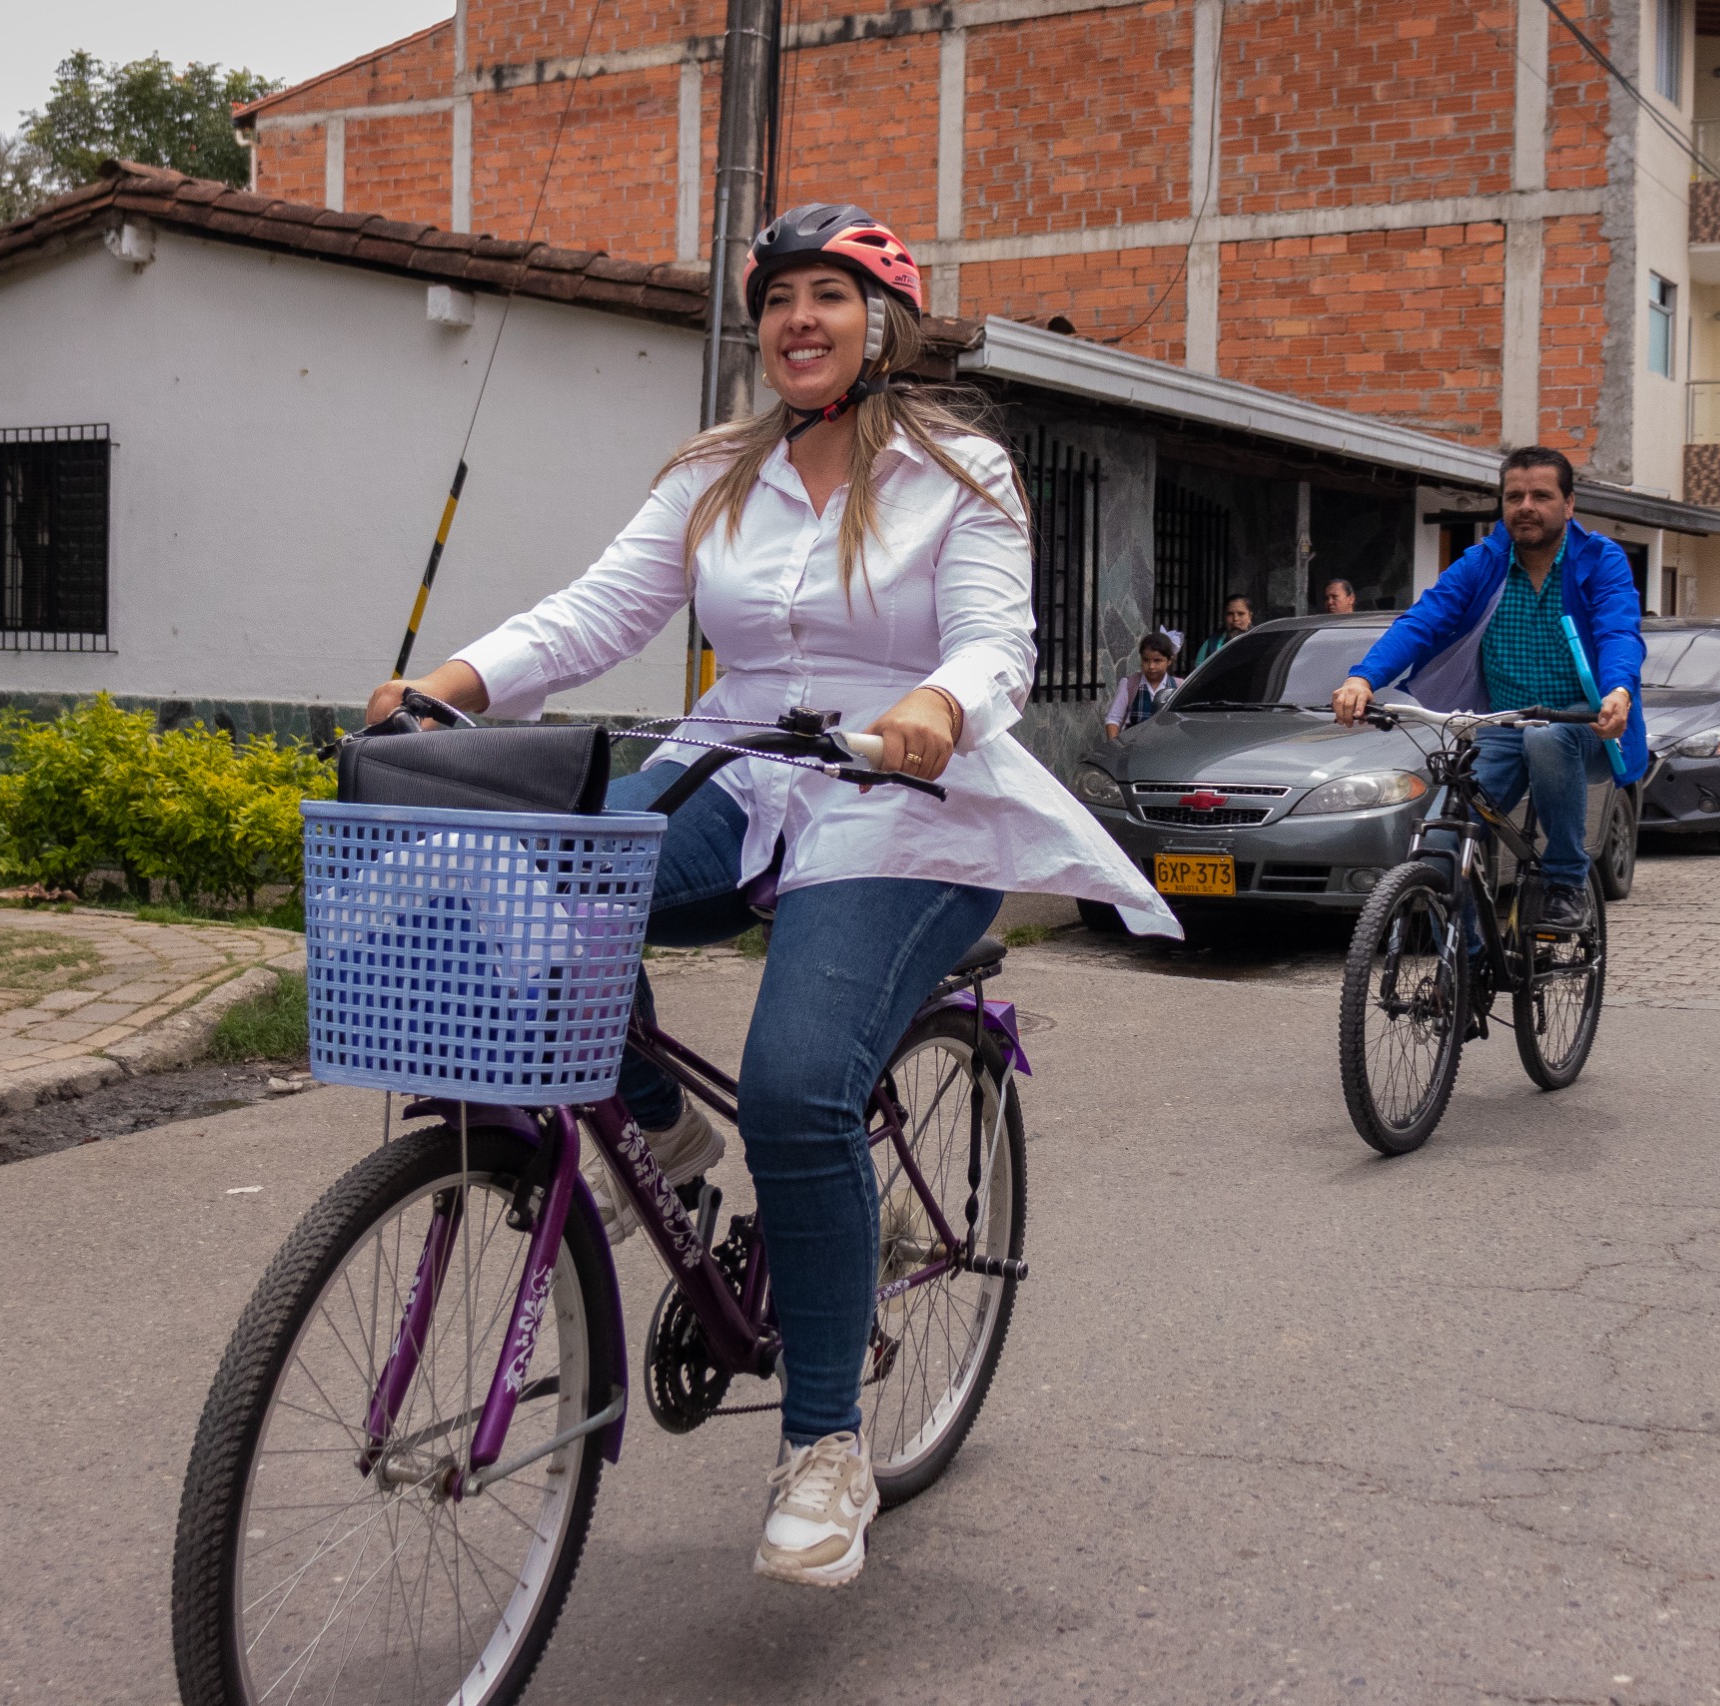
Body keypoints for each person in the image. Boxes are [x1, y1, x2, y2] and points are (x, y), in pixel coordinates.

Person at [367, 201, 1174, 1589]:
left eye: (832, 295)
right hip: (740, 765)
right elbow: (596, 610)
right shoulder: (714, 473)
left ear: (885, 325)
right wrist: (454, 682)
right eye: (781, 297)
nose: (801, 319)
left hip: (907, 796)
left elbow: (996, 642)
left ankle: (823, 1445)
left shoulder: (958, 468)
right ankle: (665, 1136)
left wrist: (935, 701)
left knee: (800, 1085)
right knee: (532, 876)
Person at [1331, 446, 1644, 932]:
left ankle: (1564, 882)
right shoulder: (1483, 562)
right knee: (1439, 842)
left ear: (1569, 504)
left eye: (1541, 495)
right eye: (1514, 495)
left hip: (1586, 723)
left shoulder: (1600, 560)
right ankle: (1466, 967)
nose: (1526, 506)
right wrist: (1363, 677)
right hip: (1505, 725)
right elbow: (1423, 621)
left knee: (1547, 738)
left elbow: (1618, 631)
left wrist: (1619, 691)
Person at [1104, 632, 1181, 739]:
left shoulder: (1179, 686)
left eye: (1157, 661)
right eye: (1146, 660)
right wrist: (1117, 749)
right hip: (1133, 749)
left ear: (1169, 661)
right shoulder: (1129, 684)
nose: (1151, 666)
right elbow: (1113, 719)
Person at [1188, 592, 1255, 670]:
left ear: (1250, 617)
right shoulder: (1210, 645)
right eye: (1230, 614)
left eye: (1240, 614)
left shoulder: (1261, 641)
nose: (1235, 619)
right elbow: (1197, 676)